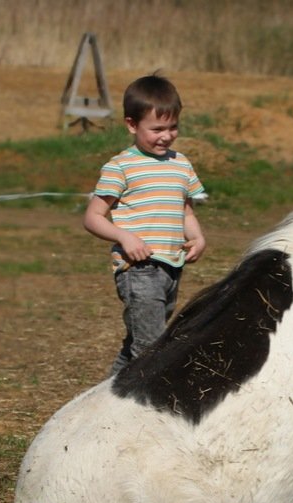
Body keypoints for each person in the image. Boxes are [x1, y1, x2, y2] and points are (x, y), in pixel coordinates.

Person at [83, 74, 207, 376]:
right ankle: (136, 409)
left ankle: (105, 399)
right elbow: (93, 217)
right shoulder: (120, 166)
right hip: (138, 270)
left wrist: (198, 238)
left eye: (172, 127)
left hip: (171, 267)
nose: (166, 136)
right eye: (157, 129)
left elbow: (186, 212)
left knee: (139, 343)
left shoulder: (182, 164)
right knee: (151, 347)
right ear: (131, 125)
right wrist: (124, 237)